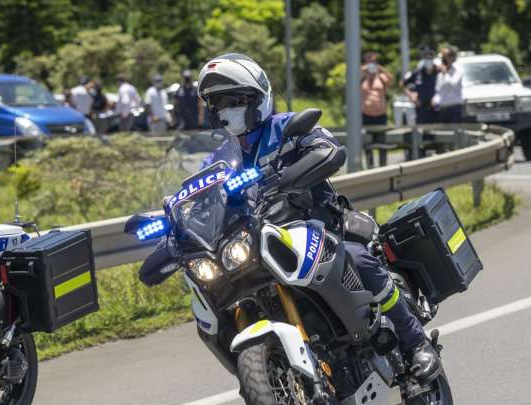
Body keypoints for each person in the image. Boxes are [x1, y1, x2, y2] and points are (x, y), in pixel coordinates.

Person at [142, 53, 441, 384]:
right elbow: (201, 203)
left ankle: (416, 344)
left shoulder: (285, 127)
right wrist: (171, 235)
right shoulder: (219, 160)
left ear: (259, 97)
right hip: (258, 244)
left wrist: (281, 179)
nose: (228, 109)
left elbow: (328, 150)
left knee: (358, 260)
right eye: (219, 103)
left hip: (320, 226)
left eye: (236, 100)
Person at [402, 46, 439, 124]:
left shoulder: (439, 72)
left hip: (436, 107)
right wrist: (411, 96)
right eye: (426, 56)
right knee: (421, 130)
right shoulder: (417, 72)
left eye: (430, 56)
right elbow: (403, 84)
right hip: (421, 107)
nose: (428, 58)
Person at [361, 51, 393, 126]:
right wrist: (365, 67)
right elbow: (352, 78)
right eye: (369, 61)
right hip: (366, 115)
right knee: (366, 138)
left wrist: (379, 67)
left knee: (381, 137)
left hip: (381, 115)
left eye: (373, 61)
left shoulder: (381, 77)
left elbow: (391, 79)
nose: (371, 64)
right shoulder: (362, 77)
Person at [433, 45, 463, 123]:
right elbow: (438, 90)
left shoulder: (457, 71)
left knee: (454, 132)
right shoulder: (440, 74)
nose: (444, 59)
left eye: (446, 56)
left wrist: (445, 72)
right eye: (443, 56)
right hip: (442, 108)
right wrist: (435, 100)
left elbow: (452, 84)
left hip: (454, 108)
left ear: (452, 58)